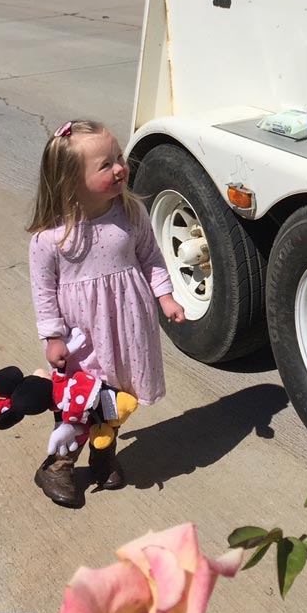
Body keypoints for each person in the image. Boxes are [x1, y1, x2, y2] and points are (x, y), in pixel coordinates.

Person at [27, 119, 185, 507]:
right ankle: (58, 465)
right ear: (70, 182)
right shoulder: (51, 238)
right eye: (105, 165)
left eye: (119, 158)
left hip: (129, 328)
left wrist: (164, 296)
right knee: (83, 400)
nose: (119, 168)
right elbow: (43, 292)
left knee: (120, 396)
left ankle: (103, 453)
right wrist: (52, 337)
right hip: (83, 337)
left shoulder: (130, 212)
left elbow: (150, 256)